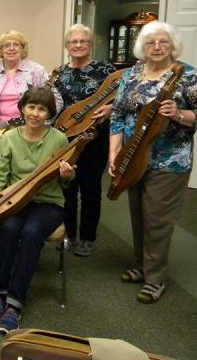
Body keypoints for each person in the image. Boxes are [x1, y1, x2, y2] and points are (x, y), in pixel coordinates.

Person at [109, 21, 197, 304]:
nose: (157, 47)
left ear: (173, 46)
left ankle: (155, 279)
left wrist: (179, 114)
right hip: (133, 157)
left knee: (157, 219)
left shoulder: (187, 75)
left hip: (169, 160)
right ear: (142, 47)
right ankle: (143, 266)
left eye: (163, 42)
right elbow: (118, 114)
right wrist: (114, 152)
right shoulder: (132, 74)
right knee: (138, 215)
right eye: (151, 42)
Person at [0, 87, 74, 335]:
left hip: (49, 202)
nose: (35, 113)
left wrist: (67, 175)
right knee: (9, 228)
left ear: (49, 114)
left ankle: (15, 302)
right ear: (22, 109)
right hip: (15, 200)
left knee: (31, 233)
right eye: (31, 107)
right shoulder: (9, 138)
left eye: (42, 109)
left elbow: (65, 182)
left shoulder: (59, 140)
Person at [53, 24, 116, 256]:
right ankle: (68, 234)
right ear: (67, 45)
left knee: (90, 189)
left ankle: (88, 238)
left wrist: (111, 108)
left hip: (95, 138)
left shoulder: (105, 69)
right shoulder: (59, 73)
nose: (78, 45)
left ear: (90, 44)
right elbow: (54, 105)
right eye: (74, 42)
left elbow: (123, 97)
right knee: (67, 188)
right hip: (66, 138)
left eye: (83, 41)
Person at [0, 30, 59, 125]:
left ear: (23, 49)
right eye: (7, 45)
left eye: (16, 45)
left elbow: (56, 100)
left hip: (28, 129)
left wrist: (43, 123)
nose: (11, 48)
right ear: (1, 50)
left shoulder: (36, 70)